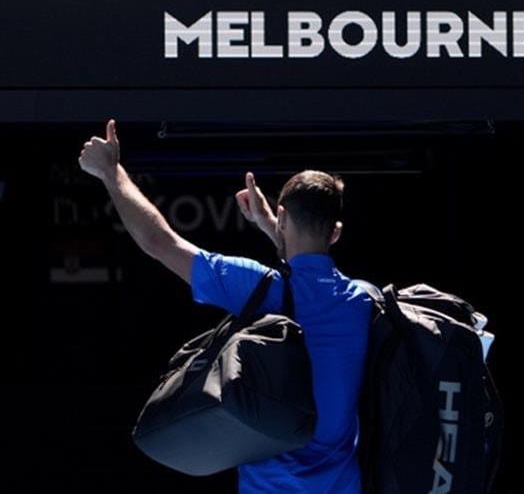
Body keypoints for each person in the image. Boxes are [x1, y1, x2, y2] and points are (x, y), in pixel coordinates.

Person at [78, 120, 372, 493]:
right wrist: (274, 229)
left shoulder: (256, 287)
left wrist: (110, 170)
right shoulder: (363, 301)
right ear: (336, 232)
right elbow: (309, 282)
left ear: (283, 217)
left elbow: (158, 242)